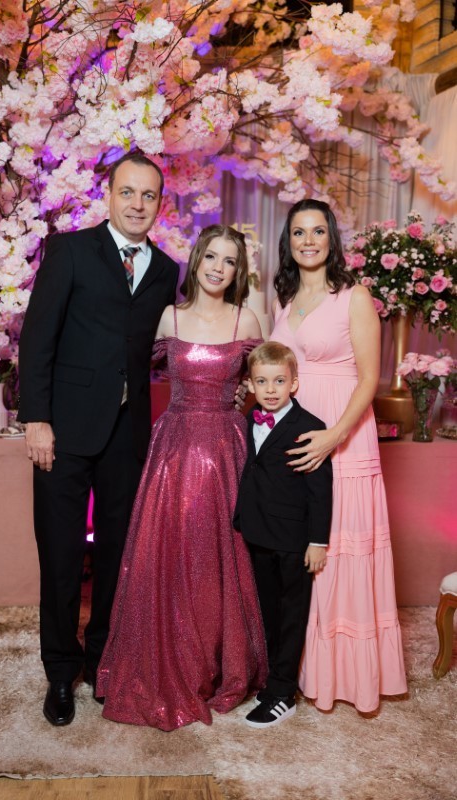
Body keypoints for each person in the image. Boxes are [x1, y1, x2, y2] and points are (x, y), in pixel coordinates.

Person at [18, 152, 180, 726]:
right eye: (127, 193)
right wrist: (36, 420)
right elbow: (37, 339)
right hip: (62, 429)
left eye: (148, 195)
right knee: (61, 555)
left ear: (160, 204)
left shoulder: (167, 270)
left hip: (127, 433)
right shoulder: (69, 251)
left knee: (116, 556)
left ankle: (102, 661)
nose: (137, 204)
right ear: (108, 196)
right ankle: (61, 672)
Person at [96, 225, 268, 731]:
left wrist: (244, 399)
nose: (218, 267)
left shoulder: (246, 318)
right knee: (169, 555)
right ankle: (169, 657)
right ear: (196, 261)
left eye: (229, 261)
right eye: (211, 257)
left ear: (238, 271)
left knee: (221, 557)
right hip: (173, 450)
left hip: (227, 449)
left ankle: (219, 661)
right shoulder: (168, 317)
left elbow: (265, 382)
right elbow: (129, 367)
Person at [269, 198, 407, 714]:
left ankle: (347, 675)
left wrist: (333, 436)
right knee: (302, 548)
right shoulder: (282, 299)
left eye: (318, 231)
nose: (308, 241)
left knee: (339, 546)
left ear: (332, 239)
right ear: (288, 242)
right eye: (299, 232)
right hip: (296, 436)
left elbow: (370, 380)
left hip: (343, 435)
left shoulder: (355, 296)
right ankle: (302, 668)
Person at [233, 341, 332, 728]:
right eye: (262, 381)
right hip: (258, 534)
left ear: (294, 383)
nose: (270, 389)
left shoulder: (310, 427)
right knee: (269, 613)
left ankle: (283, 694)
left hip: (293, 541)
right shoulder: (249, 419)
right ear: (251, 385)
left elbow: (320, 491)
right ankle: (272, 681)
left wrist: (317, 542)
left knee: (292, 616)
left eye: (279, 381)